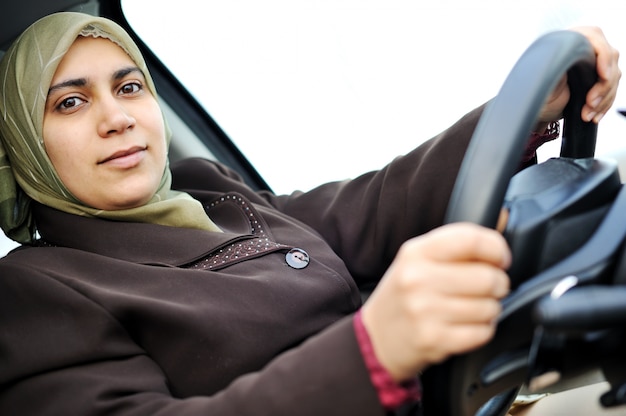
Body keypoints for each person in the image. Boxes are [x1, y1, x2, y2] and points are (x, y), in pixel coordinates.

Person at [0, 11, 620, 416]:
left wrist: (524, 111)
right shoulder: (33, 291)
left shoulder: (205, 190)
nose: (117, 117)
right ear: (25, 144)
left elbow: (369, 208)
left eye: (129, 86)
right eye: (71, 103)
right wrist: (373, 351)